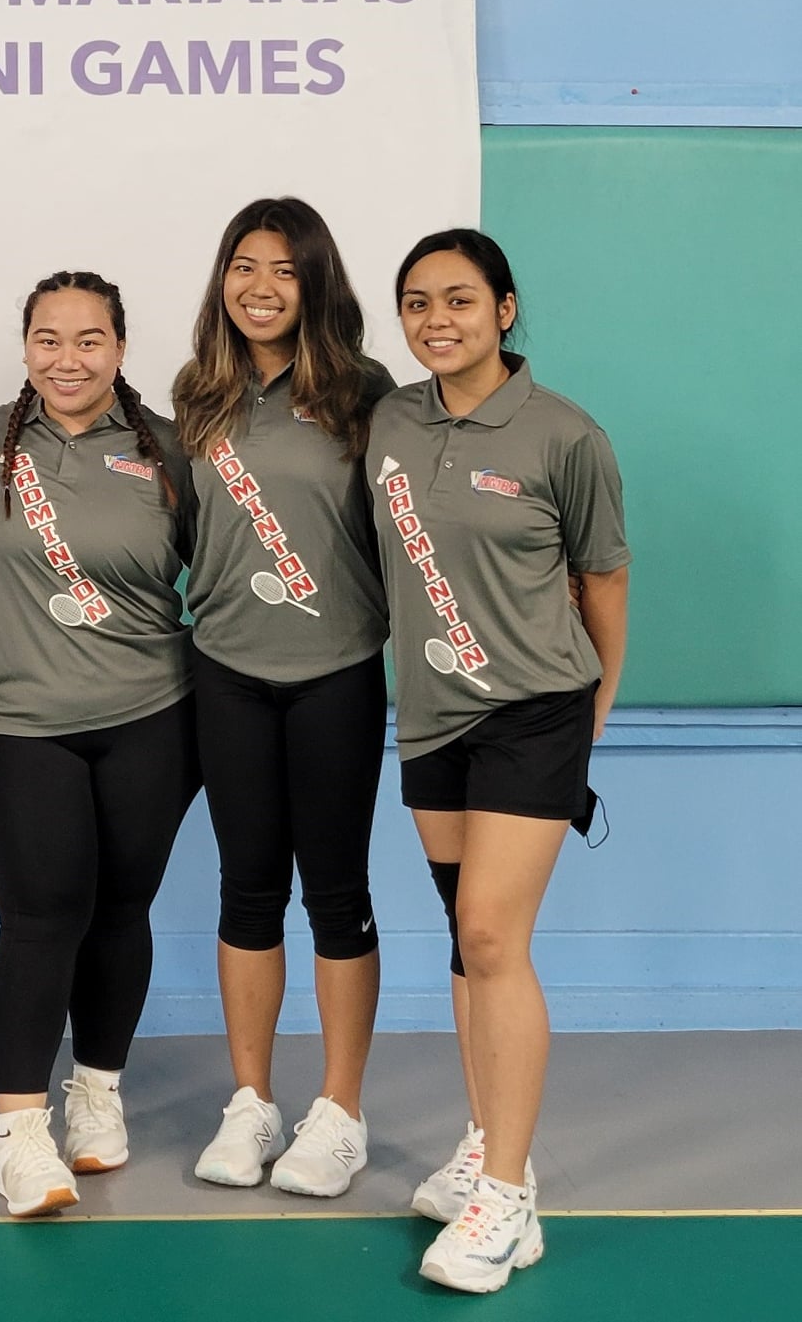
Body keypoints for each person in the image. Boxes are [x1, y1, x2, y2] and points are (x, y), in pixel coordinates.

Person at [371, 230, 629, 1294]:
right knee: (461, 936)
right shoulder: (391, 418)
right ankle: (487, 1136)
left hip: (535, 710)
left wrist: (595, 704)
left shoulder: (565, 435)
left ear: (506, 309)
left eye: (461, 299)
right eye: (418, 302)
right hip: (433, 713)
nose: (438, 319)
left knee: (492, 933)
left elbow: (603, 576)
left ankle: (511, 1195)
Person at [0, 270, 202, 1218]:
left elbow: (215, 566)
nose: (69, 358)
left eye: (89, 339)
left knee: (121, 908)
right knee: (39, 917)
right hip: (21, 721)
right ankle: (20, 1135)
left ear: (121, 349)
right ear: (26, 347)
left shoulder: (167, 451)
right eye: (49, 339)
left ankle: (96, 1091)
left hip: (152, 714)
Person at [170, 198, 393, 1197]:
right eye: (243, 266)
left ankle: (339, 1109)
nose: (260, 287)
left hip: (337, 670)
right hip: (226, 671)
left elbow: (421, 528)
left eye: (284, 270)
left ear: (317, 282)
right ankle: (251, 1099)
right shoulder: (197, 396)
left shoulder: (364, 393)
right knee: (246, 887)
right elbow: (175, 536)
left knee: (336, 892)